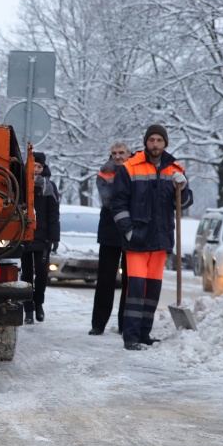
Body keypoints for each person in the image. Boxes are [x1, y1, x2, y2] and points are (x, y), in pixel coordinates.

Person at [110, 125, 192, 350]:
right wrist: (129, 231)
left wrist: (182, 187)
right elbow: (117, 204)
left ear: (165, 143)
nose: (155, 144)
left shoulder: (175, 169)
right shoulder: (130, 168)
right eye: (151, 140)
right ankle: (131, 337)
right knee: (136, 290)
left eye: (159, 140)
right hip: (137, 241)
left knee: (151, 292)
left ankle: (144, 334)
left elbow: (183, 204)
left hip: (160, 240)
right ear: (146, 142)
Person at [89, 142, 131, 336]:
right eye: (114, 153)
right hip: (109, 231)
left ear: (128, 153)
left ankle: (126, 324)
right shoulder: (104, 172)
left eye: (121, 152)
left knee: (130, 280)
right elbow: (108, 200)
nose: (117, 156)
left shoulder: (136, 170)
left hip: (132, 230)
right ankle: (98, 324)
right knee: (105, 279)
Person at [22, 151, 60, 324]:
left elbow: (53, 214)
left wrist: (54, 237)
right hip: (24, 236)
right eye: (33, 166)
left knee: (42, 273)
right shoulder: (21, 184)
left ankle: (39, 304)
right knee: (27, 274)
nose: (36, 169)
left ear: (43, 168)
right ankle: (28, 309)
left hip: (43, 237)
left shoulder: (49, 187)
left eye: (39, 166)